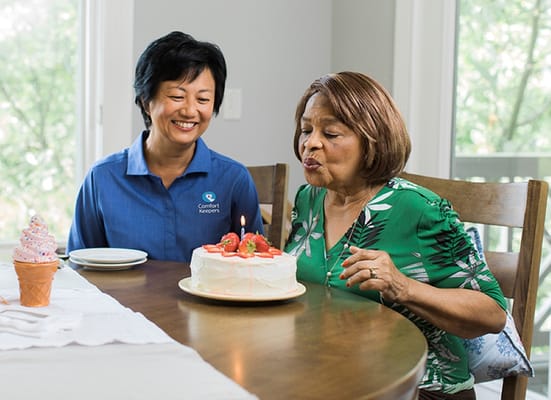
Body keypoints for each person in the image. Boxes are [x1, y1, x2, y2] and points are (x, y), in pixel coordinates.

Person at [284, 71, 507, 399]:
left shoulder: (420, 208)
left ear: (372, 140)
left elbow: (493, 312)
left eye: (330, 132)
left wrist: (403, 287)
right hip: (330, 375)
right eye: (306, 129)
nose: (310, 143)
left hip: (419, 386)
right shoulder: (309, 199)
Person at [67, 31, 263, 262]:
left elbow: (255, 264)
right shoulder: (102, 179)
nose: (190, 111)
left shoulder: (234, 180)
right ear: (145, 101)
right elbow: (79, 268)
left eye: (202, 100)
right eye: (177, 96)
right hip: (120, 299)